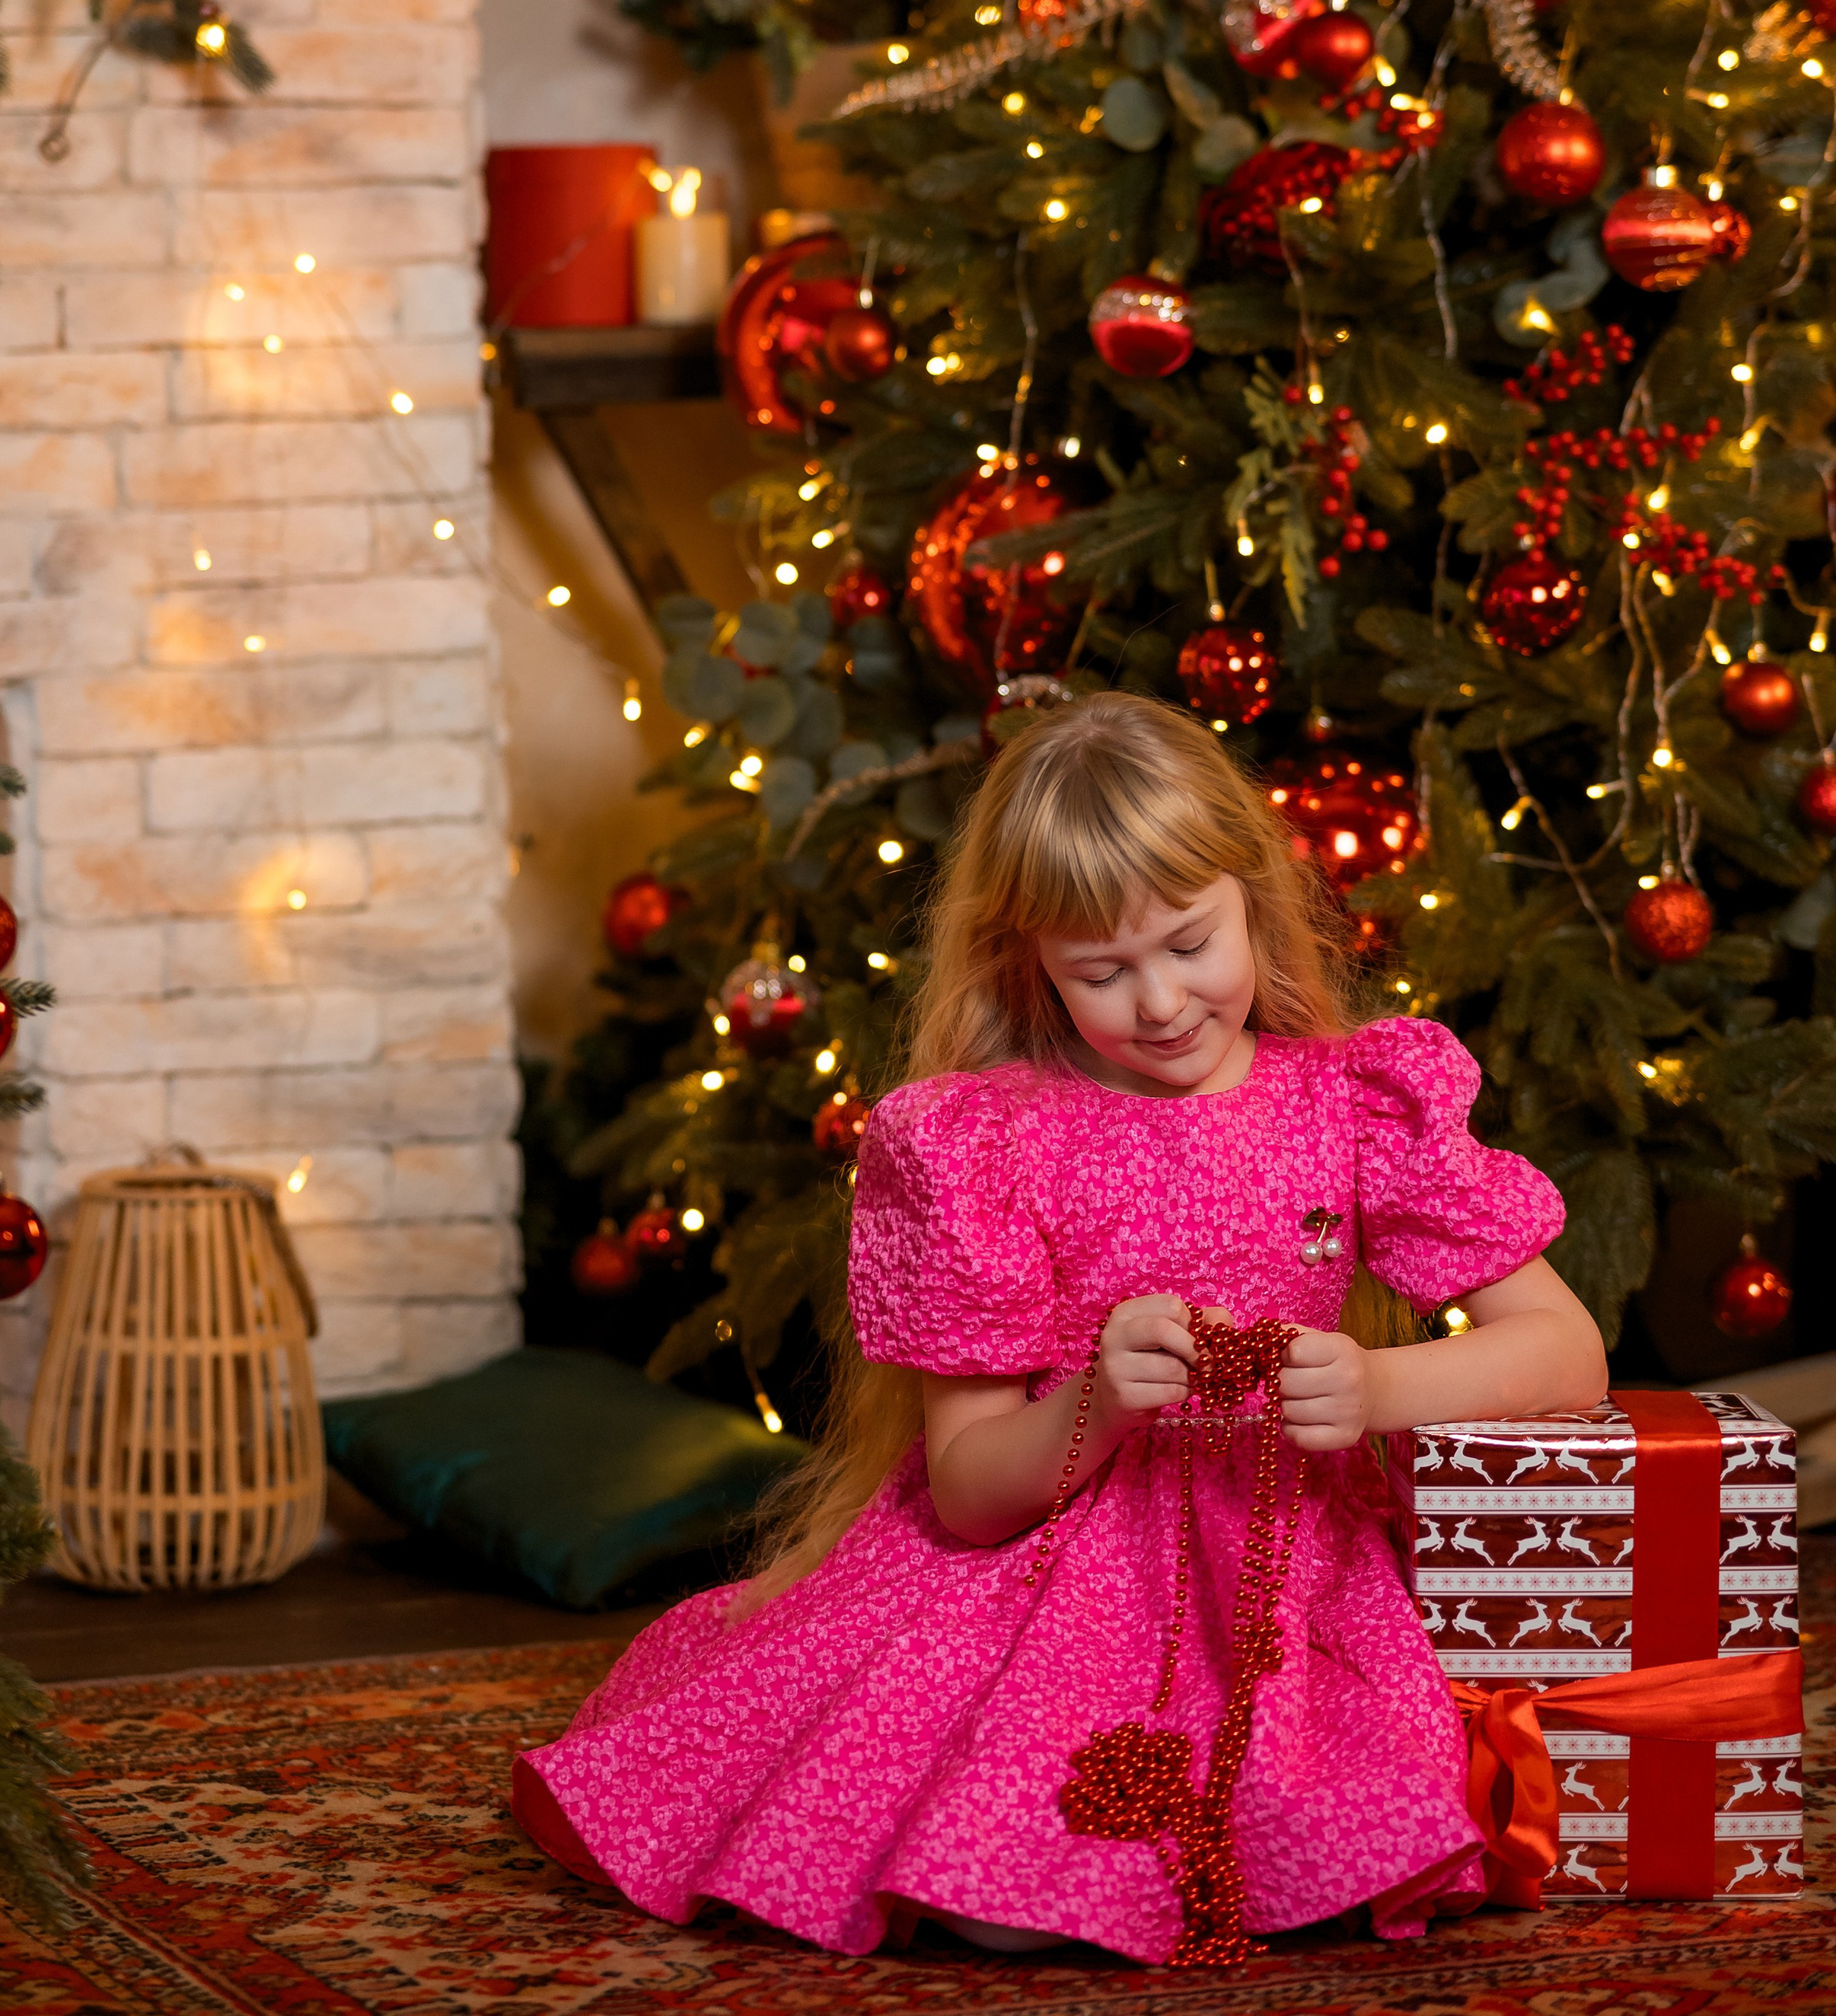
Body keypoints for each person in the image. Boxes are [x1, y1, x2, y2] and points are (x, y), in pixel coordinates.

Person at [512, 694, 1607, 1961]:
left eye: (1190, 943)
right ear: (1027, 958)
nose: (1161, 1002)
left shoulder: (1354, 1102)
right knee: (1001, 1891)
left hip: (1286, 1558)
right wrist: (1096, 1401)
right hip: (1042, 1574)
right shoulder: (985, 1141)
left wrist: (1377, 1386)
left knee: (1341, 1837)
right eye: (1101, 972)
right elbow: (971, 1492)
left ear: (1255, 899)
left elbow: (1565, 1351)